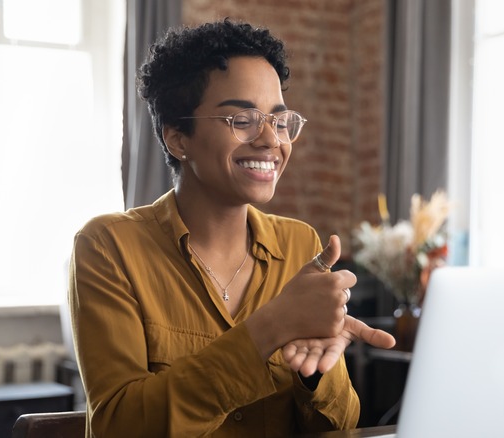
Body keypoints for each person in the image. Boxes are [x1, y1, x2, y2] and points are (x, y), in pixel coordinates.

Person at [68, 19, 396, 437]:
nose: (270, 140)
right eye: (242, 119)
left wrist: (316, 374)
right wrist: (271, 327)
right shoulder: (109, 247)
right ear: (177, 139)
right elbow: (119, 427)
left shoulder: (301, 246)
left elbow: (339, 426)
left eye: (279, 121)